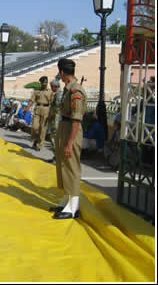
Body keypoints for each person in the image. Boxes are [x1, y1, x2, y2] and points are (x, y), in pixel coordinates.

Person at [50, 58, 87, 220]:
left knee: (71, 166)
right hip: (64, 127)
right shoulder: (67, 89)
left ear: (62, 72)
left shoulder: (75, 92)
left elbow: (76, 119)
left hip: (71, 129)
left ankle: (73, 207)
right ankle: (66, 200)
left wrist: (70, 143)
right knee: (63, 165)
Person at [28, 76, 53, 151]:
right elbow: (31, 100)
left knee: (43, 128)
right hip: (37, 108)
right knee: (34, 127)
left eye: (46, 82)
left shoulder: (50, 92)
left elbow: (53, 102)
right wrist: (27, 107)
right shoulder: (36, 91)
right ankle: (35, 140)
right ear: (41, 83)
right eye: (43, 82)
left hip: (46, 109)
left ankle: (39, 144)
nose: (45, 84)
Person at [46, 76, 63, 163]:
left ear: (56, 86)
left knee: (54, 137)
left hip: (57, 118)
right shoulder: (57, 94)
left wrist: (51, 116)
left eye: (52, 86)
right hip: (55, 118)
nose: (51, 88)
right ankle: (56, 156)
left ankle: (58, 157)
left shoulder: (59, 94)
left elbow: (57, 107)